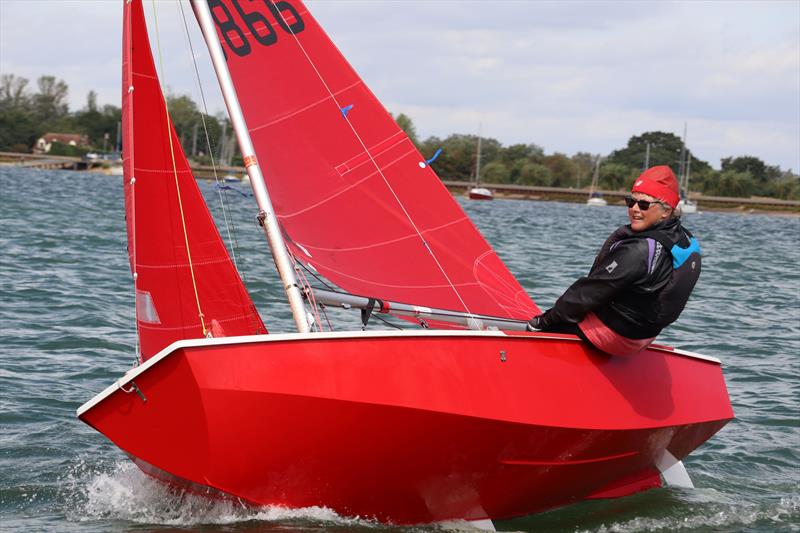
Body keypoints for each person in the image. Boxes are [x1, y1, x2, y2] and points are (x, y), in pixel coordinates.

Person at [528, 165, 701, 356]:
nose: (634, 209)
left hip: (612, 336)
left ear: (665, 211)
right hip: (642, 338)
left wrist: (544, 322)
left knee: (548, 323)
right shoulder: (684, 240)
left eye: (643, 205)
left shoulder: (638, 250)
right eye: (630, 201)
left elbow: (587, 293)